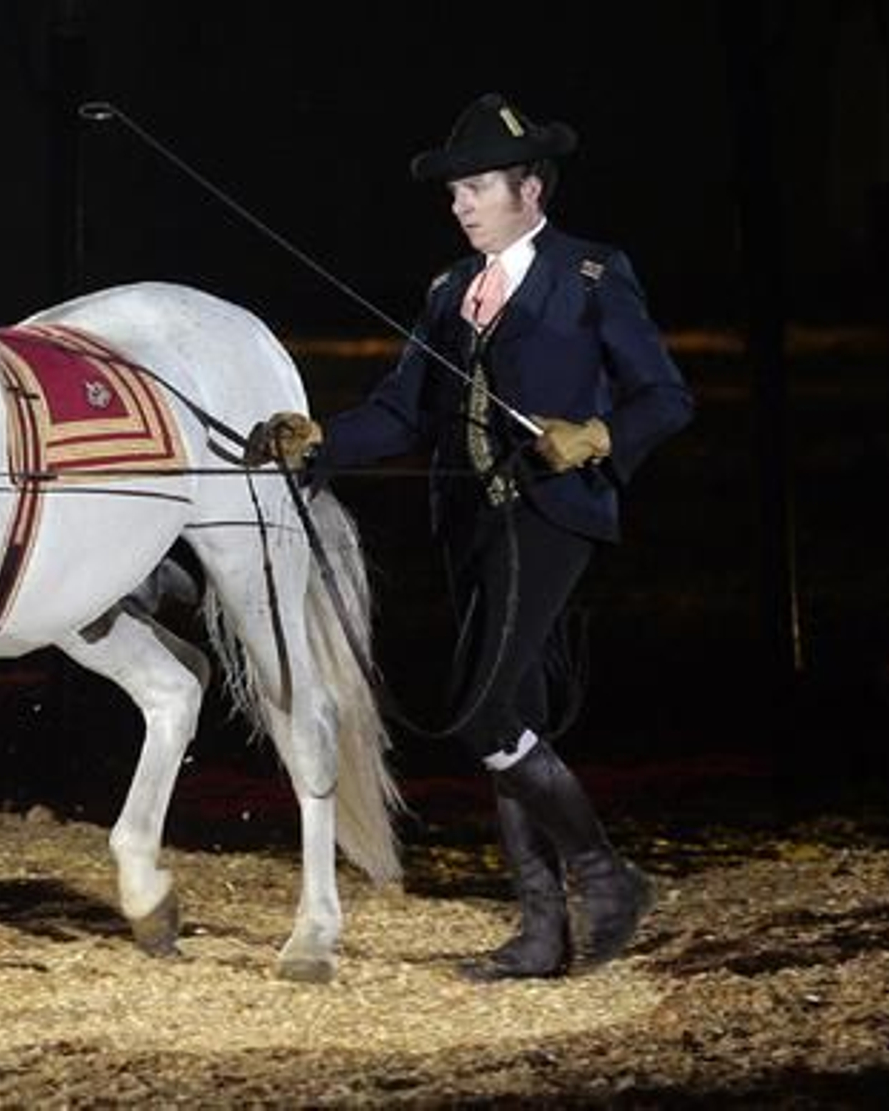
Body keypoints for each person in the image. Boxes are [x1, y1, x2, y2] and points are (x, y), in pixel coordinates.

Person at [249, 92, 694, 979]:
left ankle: (606, 876)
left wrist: (597, 436)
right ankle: (540, 929)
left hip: (552, 513)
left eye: (478, 187)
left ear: (530, 190)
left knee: (481, 710)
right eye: (454, 191)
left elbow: (666, 396)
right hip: (469, 523)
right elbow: (403, 409)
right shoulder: (451, 291)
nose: (460, 204)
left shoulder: (594, 276)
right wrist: (323, 442)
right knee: (514, 718)